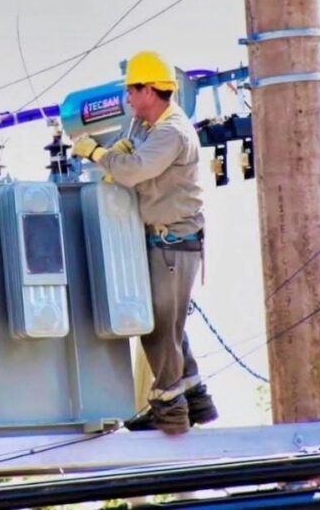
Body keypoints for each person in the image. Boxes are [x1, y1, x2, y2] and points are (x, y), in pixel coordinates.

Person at [72, 51, 218, 435]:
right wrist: (117, 151)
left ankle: (170, 411)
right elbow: (130, 155)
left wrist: (98, 153)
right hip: (163, 241)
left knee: (157, 328)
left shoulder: (172, 131)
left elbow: (135, 171)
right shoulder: (145, 127)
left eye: (132, 92)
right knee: (166, 326)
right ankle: (196, 398)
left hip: (174, 242)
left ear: (150, 90)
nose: (128, 100)